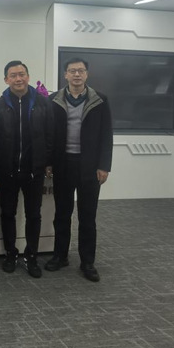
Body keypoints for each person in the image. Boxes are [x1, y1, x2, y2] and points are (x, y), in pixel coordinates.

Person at [45, 57, 112, 282]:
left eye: (80, 71)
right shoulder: (54, 100)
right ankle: (60, 256)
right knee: (62, 214)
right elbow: (49, 134)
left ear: (86, 74)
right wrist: (48, 162)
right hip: (63, 164)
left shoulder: (99, 100)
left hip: (90, 166)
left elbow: (107, 134)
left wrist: (104, 165)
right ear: (65, 74)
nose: (76, 74)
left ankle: (87, 262)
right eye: (72, 71)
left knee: (87, 216)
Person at [0, 60, 53, 279]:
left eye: (22, 74)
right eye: (13, 75)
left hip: (34, 170)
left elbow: (50, 135)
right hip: (7, 171)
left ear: (28, 76)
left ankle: (31, 255)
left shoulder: (42, 103)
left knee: (34, 214)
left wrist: (48, 162)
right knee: (8, 213)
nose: (18, 79)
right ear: (6, 79)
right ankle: (10, 254)